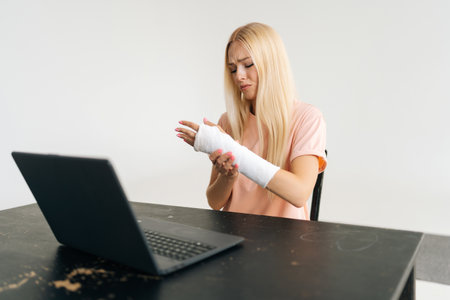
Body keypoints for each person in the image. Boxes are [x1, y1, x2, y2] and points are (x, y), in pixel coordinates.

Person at [175, 22, 326, 220]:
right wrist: (228, 177)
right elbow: (214, 202)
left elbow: (299, 193)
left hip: (285, 243)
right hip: (233, 237)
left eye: (247, 65)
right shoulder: (229, 122)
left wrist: (236, 154)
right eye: (232, 69)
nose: (239, 76)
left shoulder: (307, 118)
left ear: (271, 63)